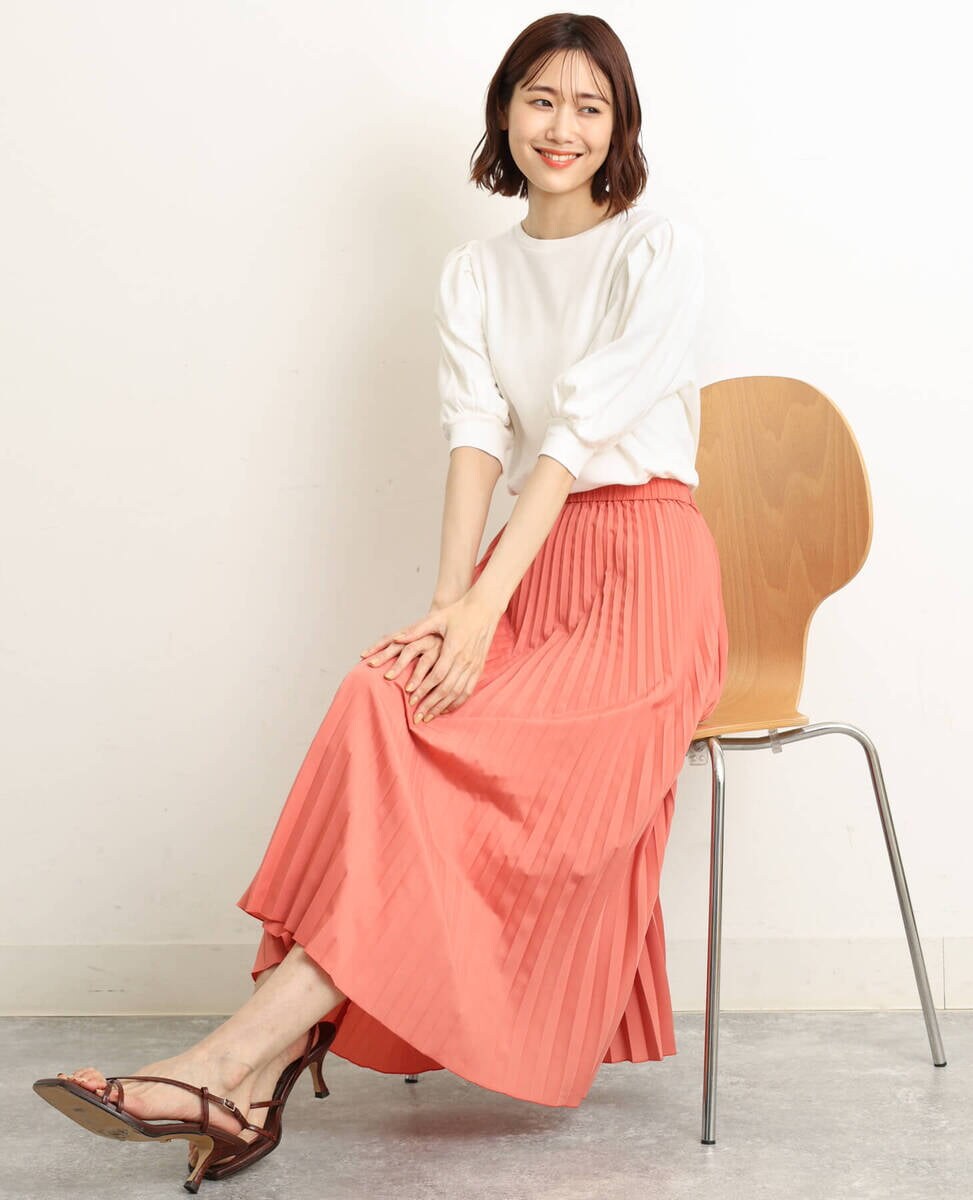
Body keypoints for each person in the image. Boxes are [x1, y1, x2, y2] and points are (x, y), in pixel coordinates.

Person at [33, 13, 728, 1192]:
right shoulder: (476, 272)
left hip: (646, 583)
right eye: (541, 99)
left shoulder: (656, 250)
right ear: (504, 111)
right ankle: (245, 1075)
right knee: (382, 692)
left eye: (589, 106)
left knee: (474, 751)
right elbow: (477, 434)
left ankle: (229, 1063)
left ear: (620, 129)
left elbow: (572, 440)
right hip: (531, 566)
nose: (562, 127)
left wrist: (482, 613)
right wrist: (449, 606)